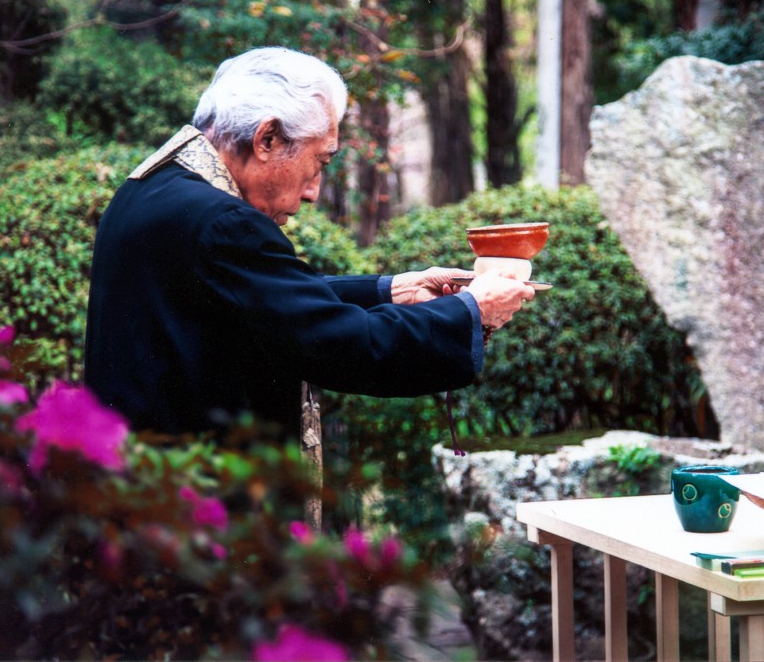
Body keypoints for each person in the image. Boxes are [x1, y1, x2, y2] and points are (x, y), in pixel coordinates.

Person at [84, 47, 534, 436]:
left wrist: (393, 291)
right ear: (267, 138)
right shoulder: (222, 222)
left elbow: (254, 299)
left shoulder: (152, 187)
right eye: (319, 162)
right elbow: (340, 346)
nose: (313, 191)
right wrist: (471, 310)